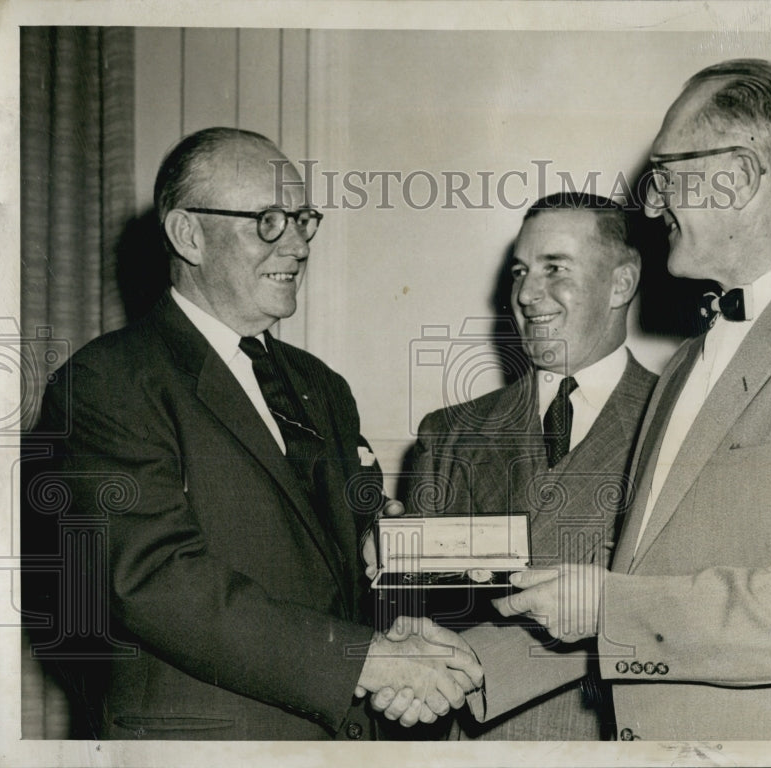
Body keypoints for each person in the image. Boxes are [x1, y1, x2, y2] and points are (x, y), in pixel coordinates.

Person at [476, 59, 771, 740]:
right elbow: (647, 593)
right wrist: (469, 664)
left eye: (666, 176)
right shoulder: (688, 362)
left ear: (741, 176)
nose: (654, 205)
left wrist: (609, 606)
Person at [26, 127, 482, 740]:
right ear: (188, 235)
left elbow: (339, 561)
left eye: (302, 219)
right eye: (267, 220)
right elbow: (154, 581)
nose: (295, 244)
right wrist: (367, 660)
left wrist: (395, 615)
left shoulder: (322, 387)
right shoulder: (108, 382)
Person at [375, 193, 658, 739]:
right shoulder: (449, 434)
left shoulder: (680, 423)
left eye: (555, 268)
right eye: (521, 271)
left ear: (621, 283)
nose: (528, 294)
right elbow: (410, 612)